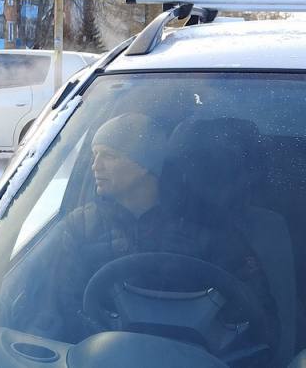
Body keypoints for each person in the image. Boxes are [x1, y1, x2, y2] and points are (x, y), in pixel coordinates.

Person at [55, 113, 278, 358]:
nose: (95, 166)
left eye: (109, 155)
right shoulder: (81, 226)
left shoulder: (206, 225)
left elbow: (254, 313)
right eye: (94, 154)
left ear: (144, 164)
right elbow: (66, 310)